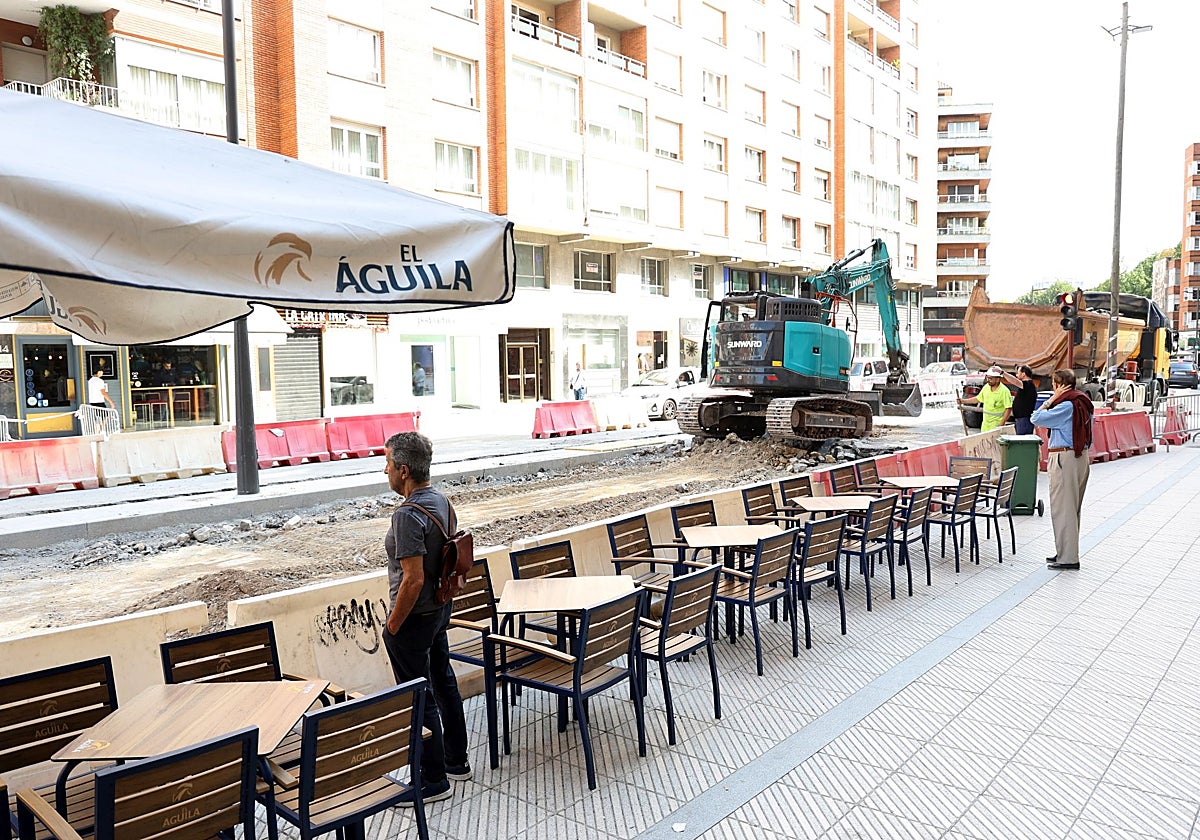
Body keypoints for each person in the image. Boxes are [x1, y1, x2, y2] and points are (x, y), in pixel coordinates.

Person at [381, 431, 469, 805]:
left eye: (387, 463)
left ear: (403, 470)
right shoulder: (442, 501)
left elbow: (413, 579)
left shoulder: (406, 515)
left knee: (419, 696)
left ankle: (432, 780)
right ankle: (456, 760)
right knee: (444, 681)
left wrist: (392, 626)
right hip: (439, 610)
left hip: (414, 619)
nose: (385, 470)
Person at [1031, 369, 1094, 570]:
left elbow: (1036, 418)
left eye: (1054, 384)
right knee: (1072, 509)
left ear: (1059, 386)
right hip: (1080, 457)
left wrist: (1050, 400)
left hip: (1064, 458)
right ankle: (1066, 551)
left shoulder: (1066, 406)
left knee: (1063, 509)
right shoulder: (1083, 401)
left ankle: (1068, 558)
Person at [957, 365, 1013, 433]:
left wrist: (1002, 423)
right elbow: (978, 399)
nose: (988, 380)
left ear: (998, 379)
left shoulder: (1004, 391)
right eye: (987, 378)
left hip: (996, 425)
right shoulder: (986, 387)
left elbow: (1008, 409)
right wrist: (963, 401)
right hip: (985, 425)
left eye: (990, 378)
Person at [1002, 364, 1038, 435]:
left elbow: (1014, 381)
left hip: (1024, 420)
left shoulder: (1028, 385)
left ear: (1023, 374)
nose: (1016, 375)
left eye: (1018, 373)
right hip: (1021, 419)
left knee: (1022, 439)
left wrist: (1002, 373)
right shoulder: (1026, 386)